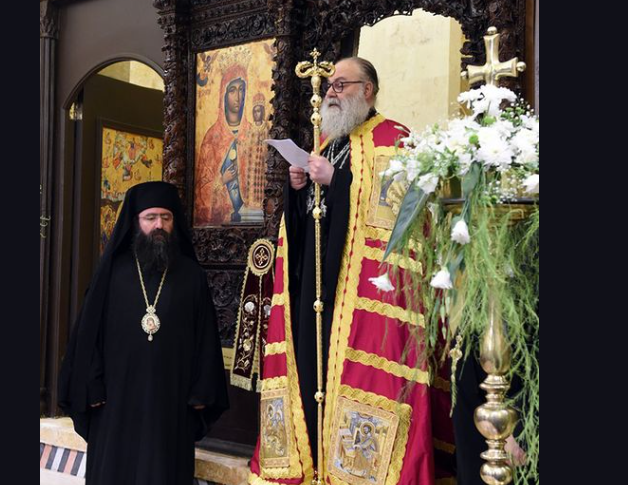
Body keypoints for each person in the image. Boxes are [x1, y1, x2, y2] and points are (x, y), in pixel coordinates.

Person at [249, 57, 455, 485]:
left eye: (341, 84)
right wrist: (299, 190)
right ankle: (312, 465)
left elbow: (399, 224)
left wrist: (338, 182)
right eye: (330, 85)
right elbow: (308, 225)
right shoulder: (328, 144)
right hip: (317, 289)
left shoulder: (396, 142)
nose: (331, 92)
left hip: (358, 296)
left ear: (368, 90)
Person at [58, 181, 229, 485]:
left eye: (166, 217)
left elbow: (205, 338)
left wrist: (203, 389)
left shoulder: (191, 276)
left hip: (170, 400)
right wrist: (92, 382)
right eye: (151, 218)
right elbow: (88, 334)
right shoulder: (112, 273)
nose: (159, 225)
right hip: (116, 401)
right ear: (136, 222)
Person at [194, 65, 253, 225]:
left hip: (249, 215)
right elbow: (202, 191)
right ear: (223, 94)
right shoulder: (211, 137)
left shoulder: (252, 133)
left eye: (242, 90)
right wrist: (221, 180)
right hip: (220, 219)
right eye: (232, 90)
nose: (238, 96)